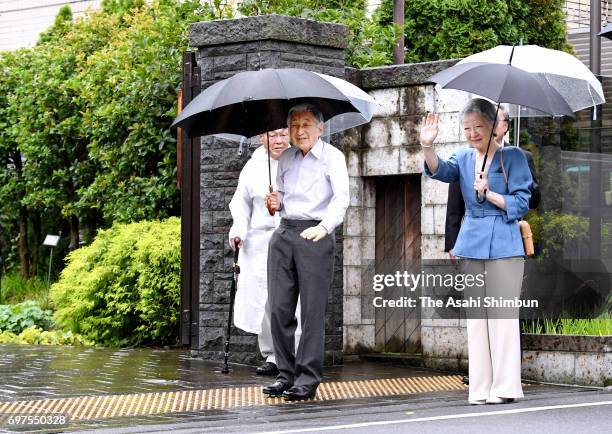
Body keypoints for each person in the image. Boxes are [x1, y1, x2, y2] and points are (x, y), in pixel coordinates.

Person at [419, 98, 532, 405]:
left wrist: (490, 194)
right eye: (466, 128)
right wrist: (427, 146)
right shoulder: (464, 157)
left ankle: (506, 386)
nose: (471, 134)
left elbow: (522, 202)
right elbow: (441, 171)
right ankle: (480, 388)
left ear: (494, 127)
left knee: (502, 316)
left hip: (506, 242)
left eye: (478, 127)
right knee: (476, 318)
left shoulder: (514, 157)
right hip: (472, 242)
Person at [262, 103, 349, 401]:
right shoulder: (285, 157)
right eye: (295, 125)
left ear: (320, 128)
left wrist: (324, 228)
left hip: (316, 233)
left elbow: (342, 200)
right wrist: (275, 203)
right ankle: (285, 374)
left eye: (307, 124)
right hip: (284, 232)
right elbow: (283, 200)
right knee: (278, 310)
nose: (300, 131)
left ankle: (307, 378)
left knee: (312, 313)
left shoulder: (333, 158)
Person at [228, 129, 301, 376]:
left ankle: (295, 353)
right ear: (261, 138)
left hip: (291, 238)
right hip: (259, 242)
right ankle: (272, 354)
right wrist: (238, 231)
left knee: (292, 298)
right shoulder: (252, 167)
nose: (279, 141)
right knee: (265, 299)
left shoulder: (299, 160)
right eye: (273, 136)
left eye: (283, 135)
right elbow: (240, 204)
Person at [445, 106, 540, 259]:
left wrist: (522, 181)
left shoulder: (520, 156)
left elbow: (533, 200)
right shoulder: (467, 156)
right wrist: (452, 244)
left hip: (506, 239)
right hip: (472, 241)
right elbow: (455, 204)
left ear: (505, 126)